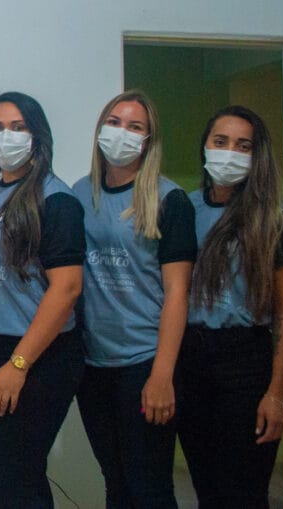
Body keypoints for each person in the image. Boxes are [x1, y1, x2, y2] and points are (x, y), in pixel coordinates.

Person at [0, 91, 85, 509]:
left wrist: (18, 365)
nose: (5, 136)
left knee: (15, 479)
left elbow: (67, 288)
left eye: (17, 127)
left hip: (35, 358)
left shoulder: (57, 199)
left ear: (37, 136)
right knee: (11, 478)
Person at [176, 106, 283, 508]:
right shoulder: (184, 208)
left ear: (256, 154)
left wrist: (277, 394)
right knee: (207, 488)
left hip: (246, 362)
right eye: (221, 142)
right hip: (190, 359)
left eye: (242, 146)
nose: (229, 152)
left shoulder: (278, 218)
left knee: (244, 492)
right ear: (205, 146)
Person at [71, 90, 196, 508]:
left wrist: (162, 375)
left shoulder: (169, 200)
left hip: (144, 361)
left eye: (134, 126)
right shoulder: (79, 193)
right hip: (93, 364)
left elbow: (178, 293)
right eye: (114, 122)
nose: (122, 132)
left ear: (148, 140)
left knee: (150, 488)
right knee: (115, 482)